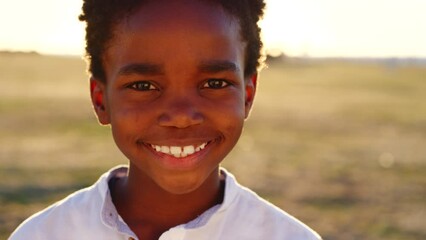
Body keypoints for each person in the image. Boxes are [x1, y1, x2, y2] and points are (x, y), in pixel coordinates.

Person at [9, 0, 321, 239]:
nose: (181, 116)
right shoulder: (43, 234)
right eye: (143, 86)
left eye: (214, 83)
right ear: (100, 99)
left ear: (248, 95)